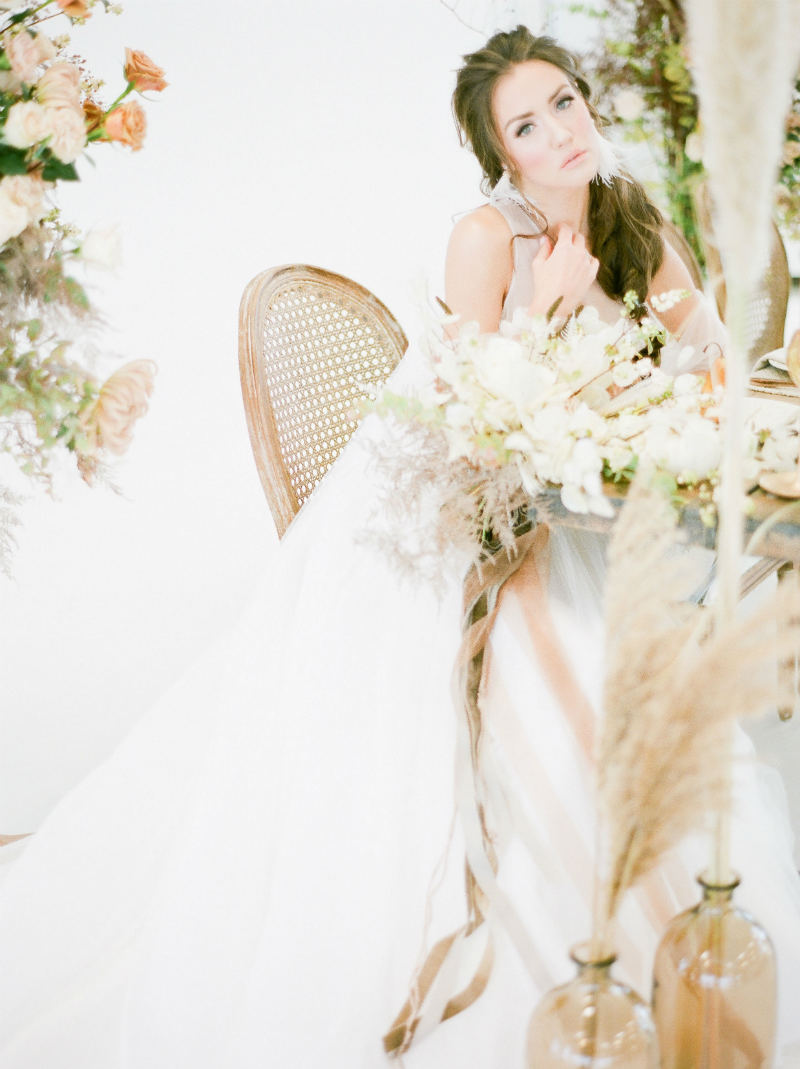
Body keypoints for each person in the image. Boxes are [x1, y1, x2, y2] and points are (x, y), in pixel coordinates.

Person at [0, 25, 798, 1069]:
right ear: (498, 155)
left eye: (563, 102)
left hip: (588, 508)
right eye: (526, 123)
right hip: (461, 529)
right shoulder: (487, 237)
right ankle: (581, 945)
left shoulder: (632, 211)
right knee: (570, 667)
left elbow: (696, 358)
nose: (558, 131)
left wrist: (704, 364)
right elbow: (466, 437)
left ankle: (682, 933)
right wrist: (547, 315)